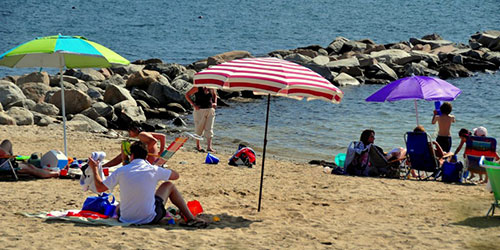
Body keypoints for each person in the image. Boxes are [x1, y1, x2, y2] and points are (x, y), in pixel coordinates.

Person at [88, 141, 207, 227]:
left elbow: (99, 188)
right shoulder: (153, 169)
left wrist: (94, 169)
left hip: (124, 218)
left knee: (120, 204)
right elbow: (176, 176)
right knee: (169, 185)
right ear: (146, 156)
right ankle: (190, 217)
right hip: (150, 219)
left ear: (132, 156)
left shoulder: (121, 171)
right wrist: (159, 167)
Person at [185, 86, 217, 153]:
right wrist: (194, 105)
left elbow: (214, 95)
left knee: (209, 128)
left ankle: (209, 147)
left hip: (210, 110)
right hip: (199, 110)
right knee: (199, 127)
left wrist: (215, 103)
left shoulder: (211, 87)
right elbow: (187, 95)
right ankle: (198, 145)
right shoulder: (197, 87)